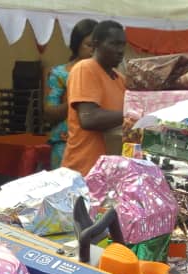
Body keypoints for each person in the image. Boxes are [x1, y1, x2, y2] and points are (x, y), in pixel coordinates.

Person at [61, 20, 126, 176]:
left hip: (109, 171)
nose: (120, 51)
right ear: (96, 44)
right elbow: (89, 118)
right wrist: (134, 114)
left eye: (123, 45)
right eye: (114, 44)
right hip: (84, 170)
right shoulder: (85, 68)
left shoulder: (120, 78)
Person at [43, 19, 97, 169]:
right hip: (65, 144)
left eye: (97, 46)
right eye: (89, 45)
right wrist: (78, 101)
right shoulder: (60, 74)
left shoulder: (106, 75)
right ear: (76, 44)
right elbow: (49, 112)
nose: (93, 51)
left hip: (96, 145)